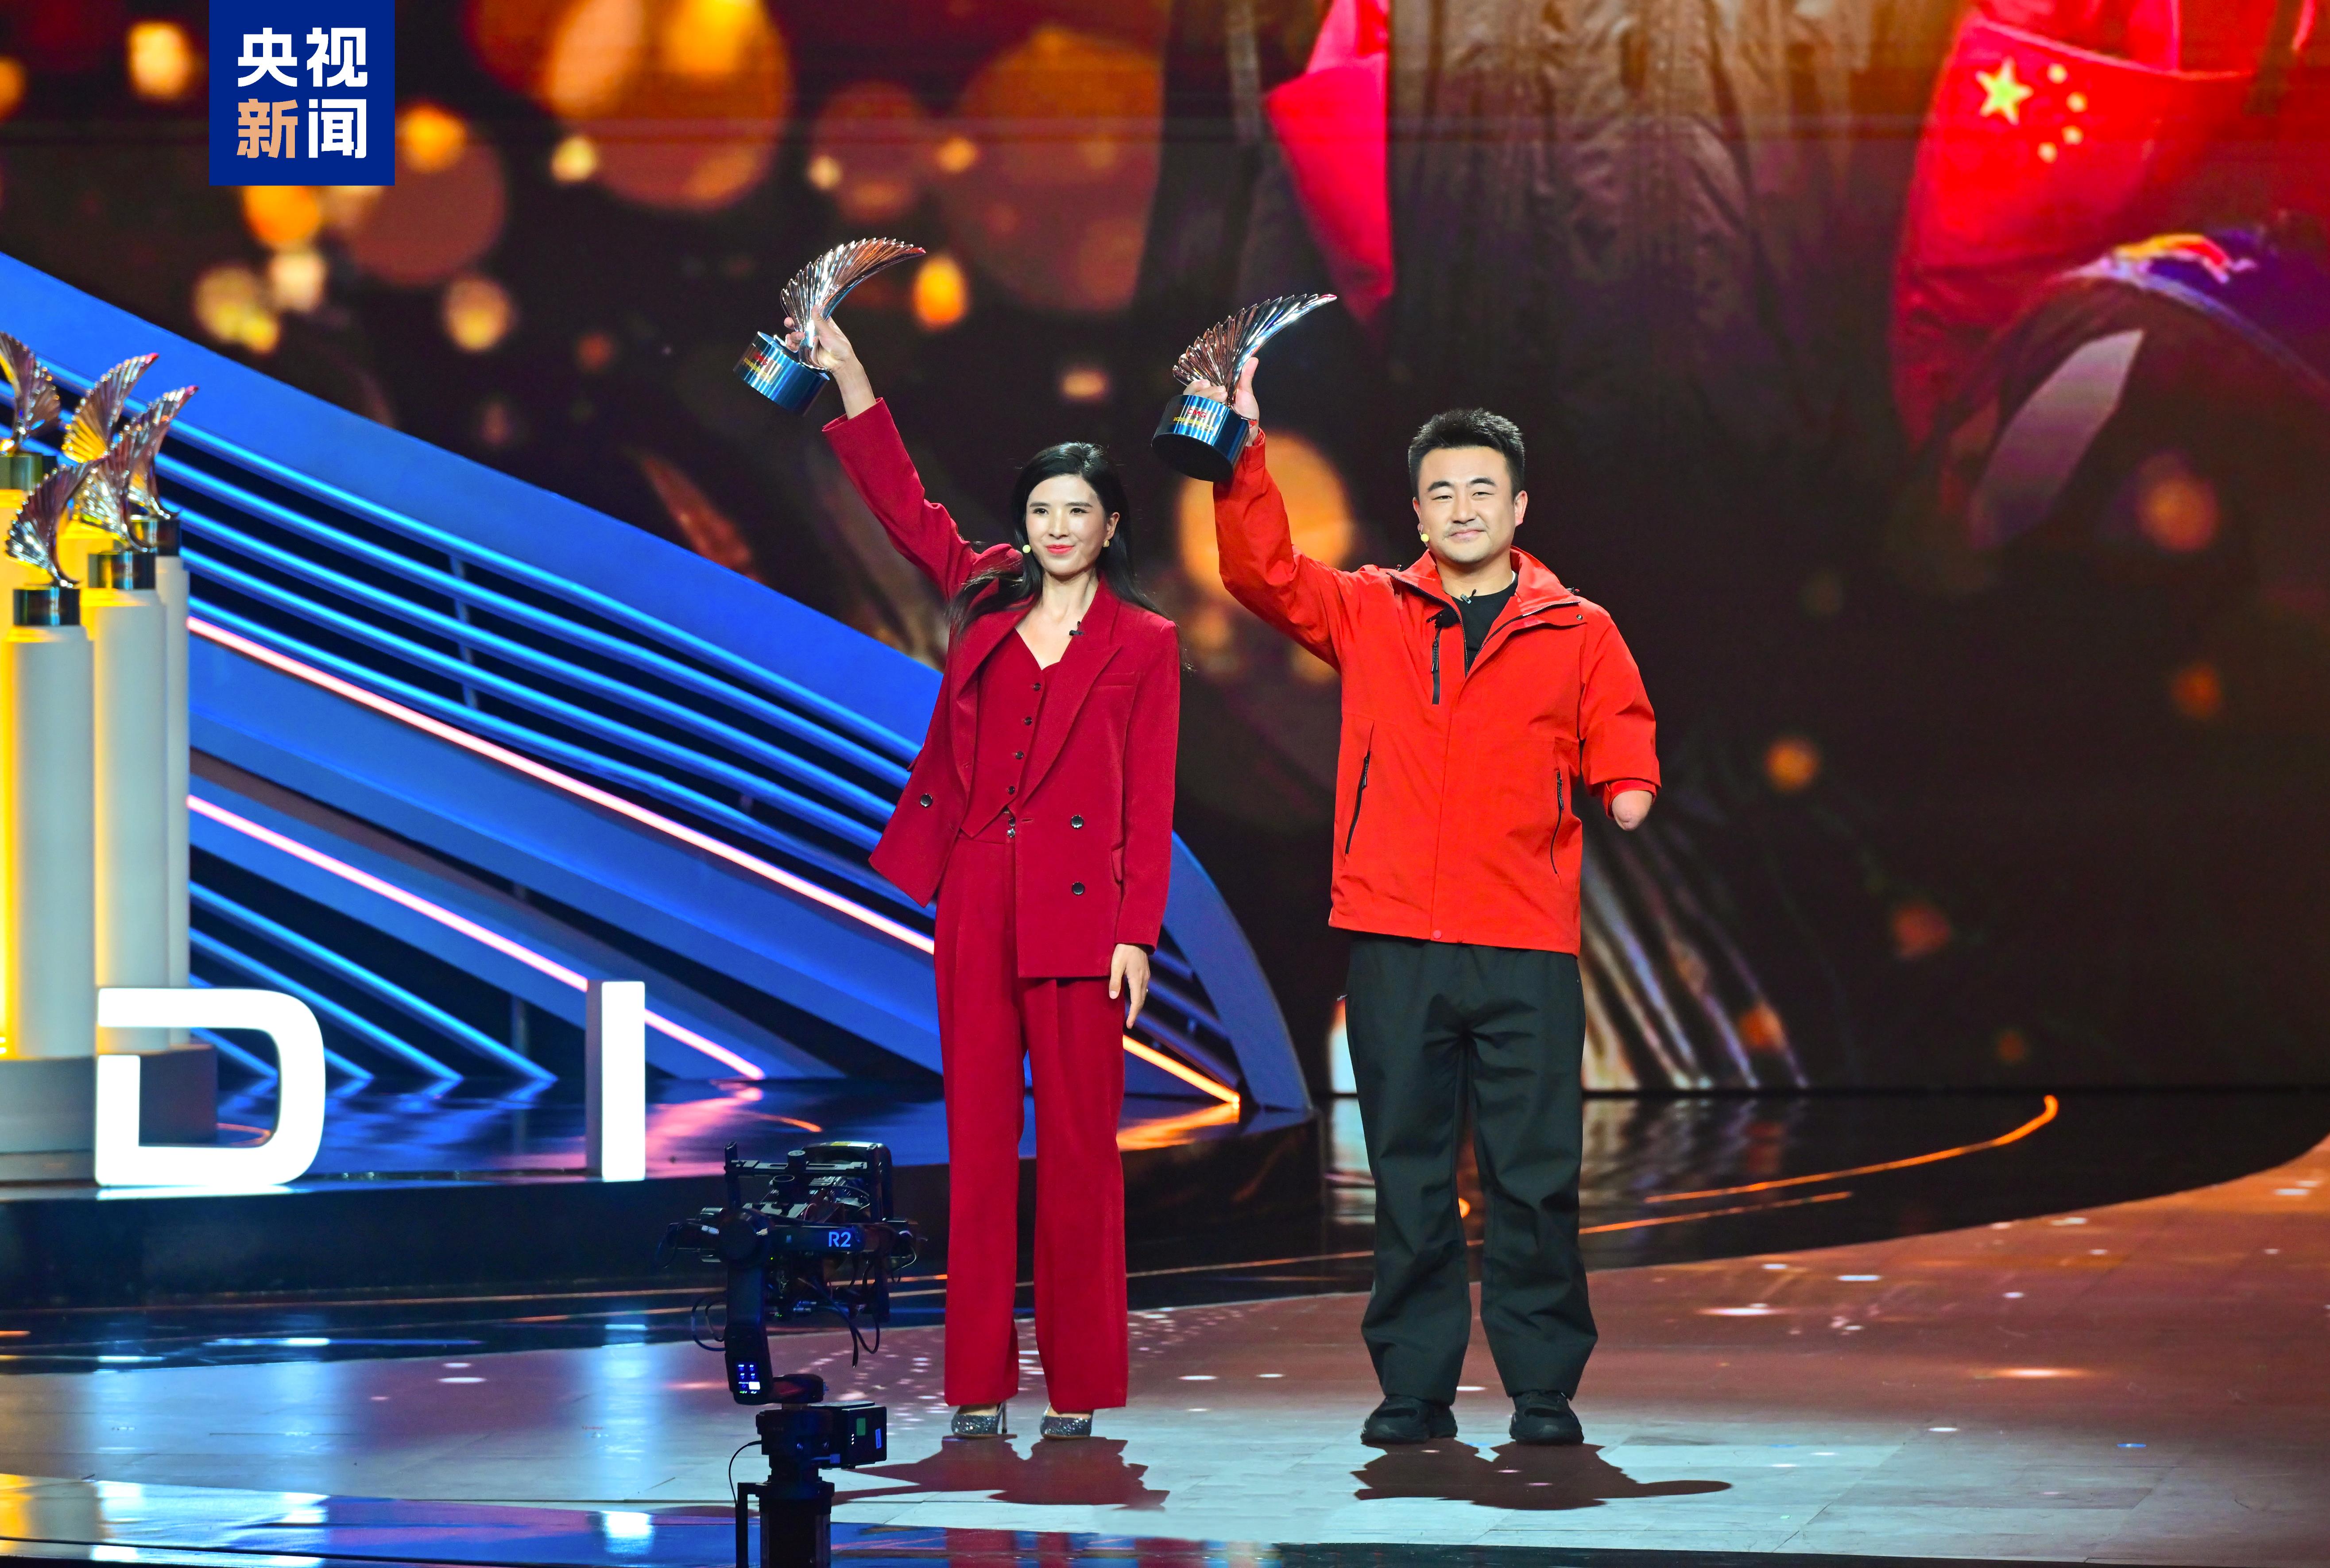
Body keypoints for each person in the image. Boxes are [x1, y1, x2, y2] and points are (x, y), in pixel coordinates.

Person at [1200, 360, 1657, 1448]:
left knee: (1533, 1176)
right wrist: (1242, 449)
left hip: (1523, 940)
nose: (1463, 509)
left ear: (1520, 506)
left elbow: (1621, 719)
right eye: (1442, 492)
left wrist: (1625, 780)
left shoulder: (1579, 626)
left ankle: (1543, 1390)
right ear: (1416, 512)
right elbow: (1262, 572)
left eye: (1482, 490)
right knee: (1407, 1173)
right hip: (1395, 936)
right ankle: (1415, 1388)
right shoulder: (1371, 607)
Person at [803, 312, 1181, 1441]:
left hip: (1083, 922)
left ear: (1110, 526)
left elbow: (1149, 800)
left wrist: (1137, 932)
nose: (1059, 528)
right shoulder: (985, 597)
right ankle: (975, 1384)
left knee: (1078, 1159)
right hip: (978, 902)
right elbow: (905, 510)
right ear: (1024, 525)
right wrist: (853, 378)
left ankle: (1079, 1390)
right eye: (1042, 511)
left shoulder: (1147, 642)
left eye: (1078, 511)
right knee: (976, 1149)